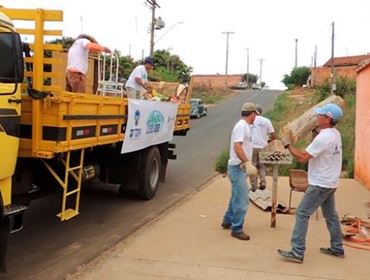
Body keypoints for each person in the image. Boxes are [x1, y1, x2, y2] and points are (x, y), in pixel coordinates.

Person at [277, 103, 345, 263]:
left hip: (320, 183)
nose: (317, 117)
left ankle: (297, 251)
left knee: (302, 213)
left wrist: (287, 144)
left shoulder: (324, 137)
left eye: (320, 115)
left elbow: (302, 157)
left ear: (328, 119)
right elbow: (315, 148)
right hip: (330, 181)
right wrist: (314, 131)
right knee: (330, 215)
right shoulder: (334, 134)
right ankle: (337, 248)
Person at [221, 103, 259, 240]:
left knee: (236, 196)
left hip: (239, 167)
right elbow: (237, 146)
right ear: (252, 114)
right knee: (242, 200)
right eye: (255, 115)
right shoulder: (242, 126)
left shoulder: (244, 126)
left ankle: (227, 220)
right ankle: (237, 229)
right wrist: (247, 162)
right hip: (237, 167)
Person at [250, 104, 275, 191]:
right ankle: (263, 182)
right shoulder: (266, 121)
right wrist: (271, 143)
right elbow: (272, 134)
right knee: (262, 166)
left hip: (252, 147)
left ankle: (254, 186)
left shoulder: (250, 121)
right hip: (263, 146)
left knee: (252, 166)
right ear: (261, 112)